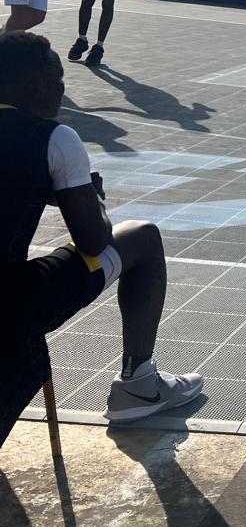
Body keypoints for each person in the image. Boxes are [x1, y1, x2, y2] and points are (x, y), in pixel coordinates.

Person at [0, 32, 203, 430]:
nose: (62, 91)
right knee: (142, 237)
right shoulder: (53, 139)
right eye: (58, 81)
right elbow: (94, 241)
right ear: (34, 85)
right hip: (10, 303)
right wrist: (93, 200)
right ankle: (138, 385)